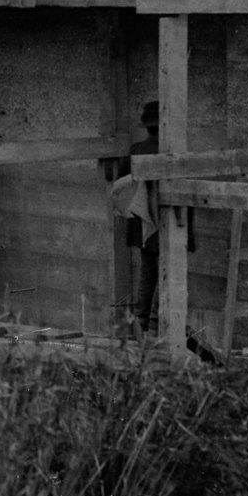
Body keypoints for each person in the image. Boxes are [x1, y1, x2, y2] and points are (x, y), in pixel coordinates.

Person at [108, 101, 162, 331]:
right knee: (167, 272)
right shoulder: (170, 150)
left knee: (148, 272)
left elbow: (120, 181)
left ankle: (142, 320)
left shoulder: (136, 150)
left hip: (142, 221)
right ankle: (159, 320)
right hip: (165, 220)